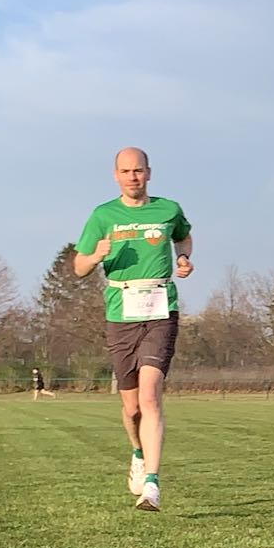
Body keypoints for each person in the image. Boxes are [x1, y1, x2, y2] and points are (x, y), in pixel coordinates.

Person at [74, 147, 194, 512]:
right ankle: (138, 453)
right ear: (116, 175)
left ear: (149, 173)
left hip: (160, 309)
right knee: (131, 408)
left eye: (138, 171)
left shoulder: (169, 209)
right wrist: (96, 256)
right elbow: (79, 266)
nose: (133, 177)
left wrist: (185, 258)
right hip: (120, 312)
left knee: (150, 396)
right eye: (126, 171)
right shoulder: (103, 215)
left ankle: (153, 486)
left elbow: (184, 237)